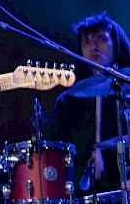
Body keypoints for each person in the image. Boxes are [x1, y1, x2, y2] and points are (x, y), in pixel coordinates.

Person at [51, 12, 130, 194]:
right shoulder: (67, 102)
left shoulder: (127, 91)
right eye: (86, 42)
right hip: (83, 198)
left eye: (101, 39)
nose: (93, 47)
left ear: (116, 43)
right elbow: (57, 156)